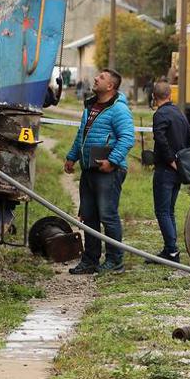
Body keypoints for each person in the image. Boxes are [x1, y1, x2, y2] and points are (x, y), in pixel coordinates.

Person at [63, 68, 136, 275]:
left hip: (109, 172)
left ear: (110, 86)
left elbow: (127, 138)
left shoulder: (118, 109)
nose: (96, 78)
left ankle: (115, 261)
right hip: (89, 170)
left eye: (101, 77)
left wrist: (112, 162)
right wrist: (72, 156)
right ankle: (90, 260)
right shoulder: (91, 106)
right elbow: (81, 135)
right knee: (89, 216)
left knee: (108, 216)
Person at [149, 79, 190, 264]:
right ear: (170, 95)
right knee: (169, 211)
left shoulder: (160, 115)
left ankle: (172, 252)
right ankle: (171, 249)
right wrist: (184, 160)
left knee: (162, 211)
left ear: (154, 97)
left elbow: (160, 139)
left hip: (165, 170)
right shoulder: (179, 113)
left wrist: (171, 160)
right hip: (178, 172)